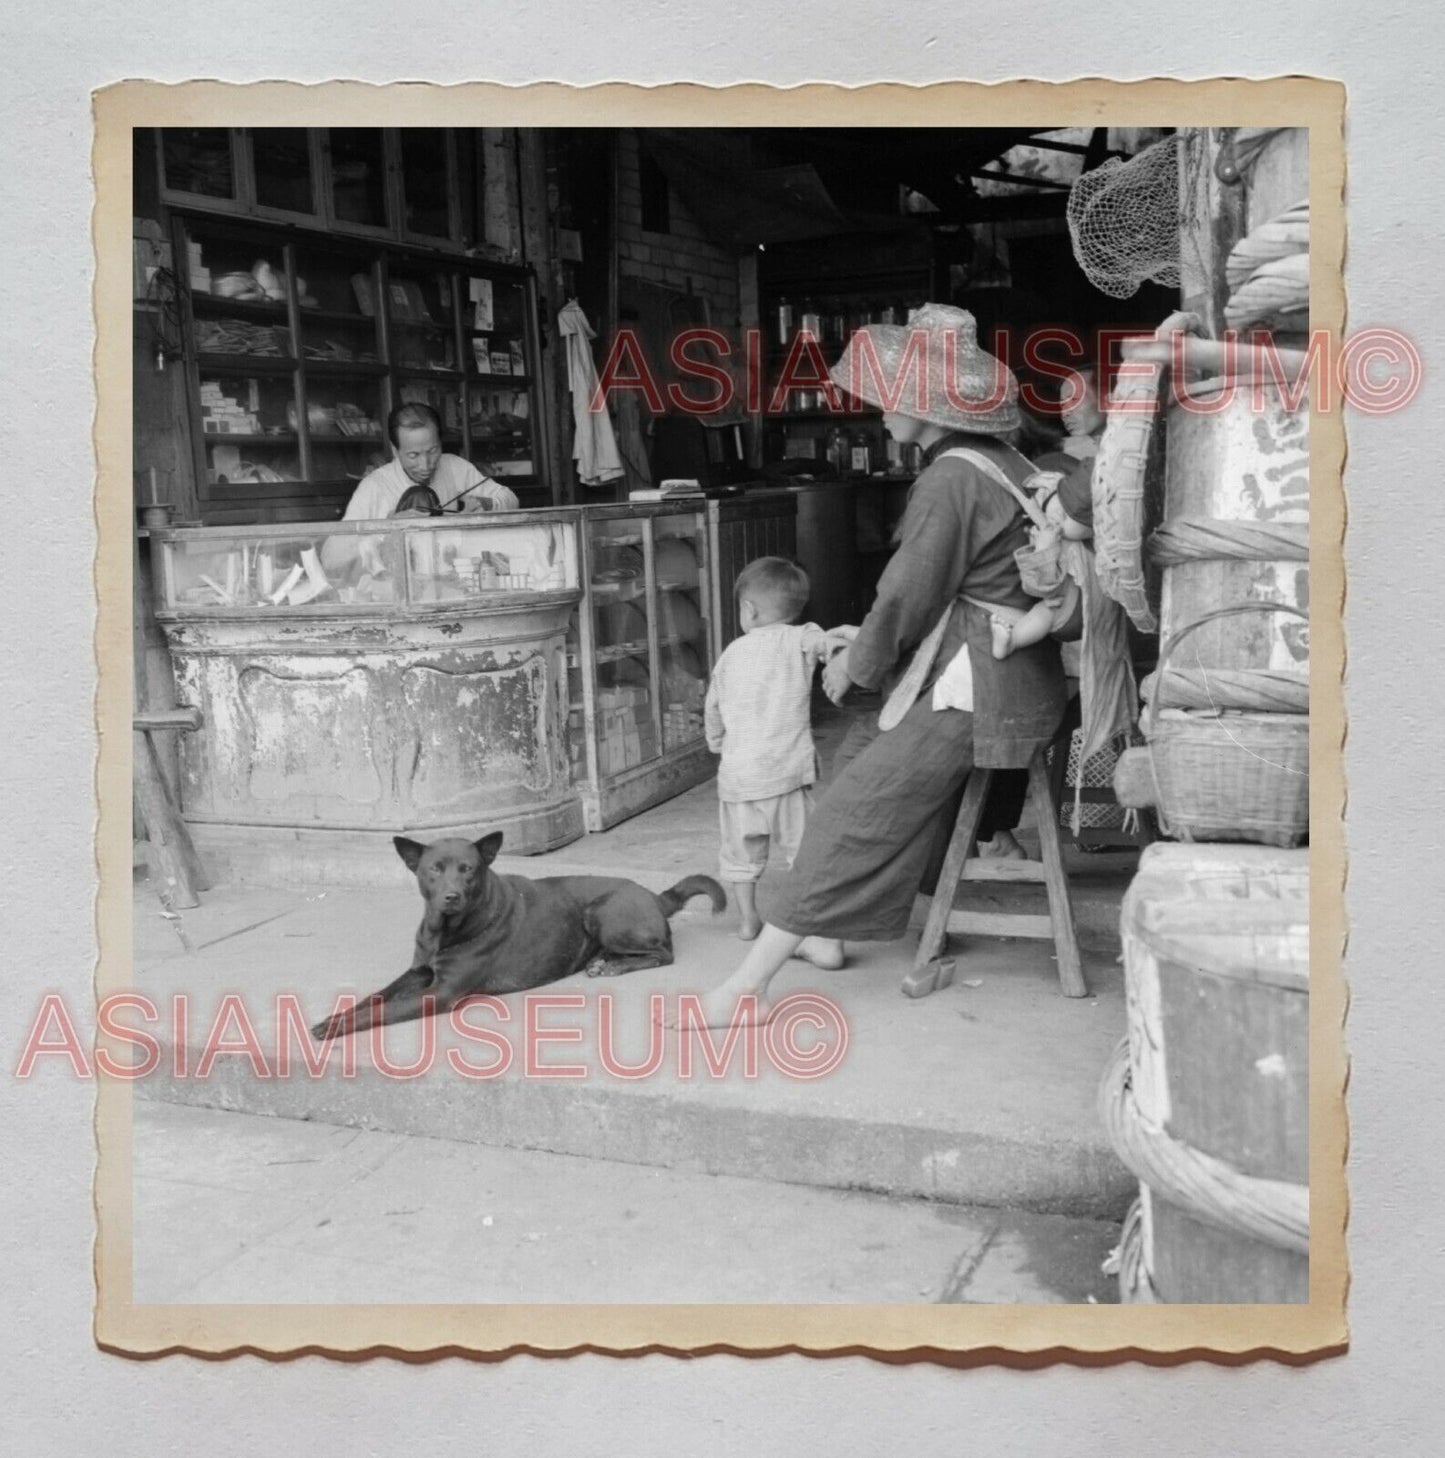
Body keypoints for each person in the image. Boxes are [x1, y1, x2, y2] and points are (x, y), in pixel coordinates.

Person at [673, 304, 1067, 1028]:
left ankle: (746, 989)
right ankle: (820, 930)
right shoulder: (1001, 460)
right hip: (1002, 670)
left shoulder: (950, 477)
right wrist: (865, 650)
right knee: (854, 763)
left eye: (889, 396)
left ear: (923, 404)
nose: (879, 409)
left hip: (982, 682)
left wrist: (854, 666)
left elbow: (907, 594)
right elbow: (942, 592)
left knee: (854, 810)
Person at [703, 557, 835, 944]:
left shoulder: (730, 654)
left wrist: (717, 744)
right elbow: (824, 644)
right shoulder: (800, 638)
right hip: (786, 774)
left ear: (749, 609)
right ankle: (804, 924)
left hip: (740, 777)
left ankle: (748, 921)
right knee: (802, 853)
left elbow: (713, 707)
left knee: (740, 855)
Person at [321, 402, 519, 575]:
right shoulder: (375, 487)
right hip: (398, 591)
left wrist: (486, 505)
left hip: (454, 583)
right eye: (413, 455)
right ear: (395, 450)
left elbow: (510, 499)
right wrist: (386, 529)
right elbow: (331, 559)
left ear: (440, 443)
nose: (426, 465)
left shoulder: (454, 467)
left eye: (433, 451)